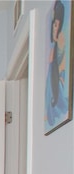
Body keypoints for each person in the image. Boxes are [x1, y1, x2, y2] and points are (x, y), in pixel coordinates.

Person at [45, 0, 69, 128]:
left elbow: (62, 69)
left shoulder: (60, 44)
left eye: (57, 25)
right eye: (54, 24)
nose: (55, 28)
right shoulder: (53, 49)